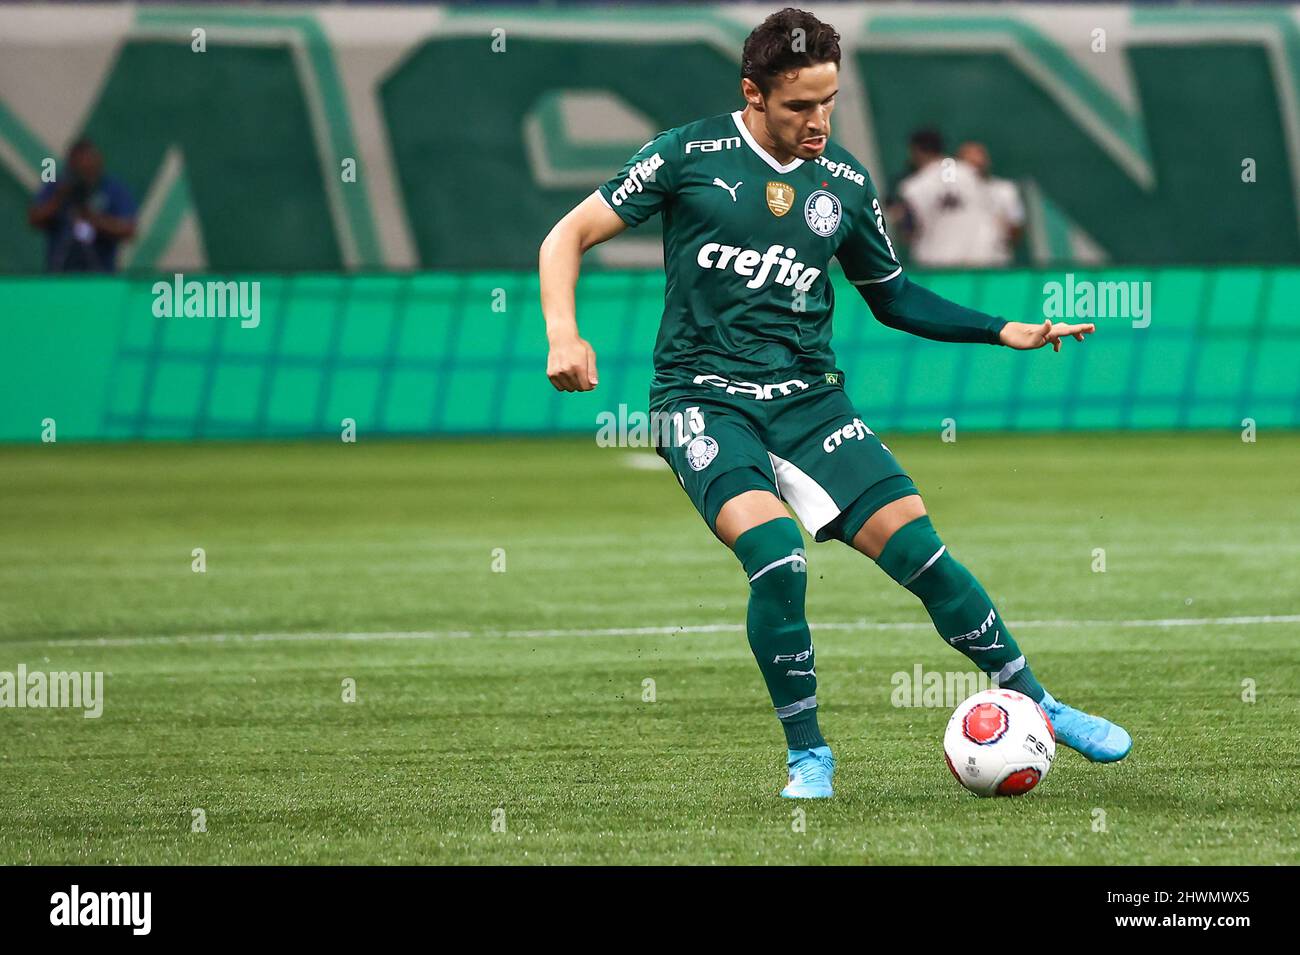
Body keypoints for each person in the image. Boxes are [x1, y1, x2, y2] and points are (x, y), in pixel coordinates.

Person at [538, 7, 1130, 799]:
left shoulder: (843, 183)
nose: (819, 121)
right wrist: (563, 333)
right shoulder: (689, 155)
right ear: (753, 93)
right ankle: (808, 753)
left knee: (922, 551)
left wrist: (1003, 330)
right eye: (799, 106)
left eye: (829, 102)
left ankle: (1038, 701)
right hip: (702, 400)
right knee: (777, 555)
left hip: (810, 403)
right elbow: (565, 235)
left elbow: (893, 297)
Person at [892, 128, 1003, 268]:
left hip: (937, 264)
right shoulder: (971, 173)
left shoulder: (913, 186)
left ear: (917, 151)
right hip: (981, 259)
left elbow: (909, 232)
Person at [28, 138, 137, 272]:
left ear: (98, 164)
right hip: (60, 274)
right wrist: (59, 199)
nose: (84, 176)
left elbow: (128, 229)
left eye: (89, 169)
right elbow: (34, 219)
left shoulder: (113, 189)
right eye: (79, 170)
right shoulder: (58, 187)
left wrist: (93, 219)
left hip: (100, 275)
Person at [957, 140, 1025, 266]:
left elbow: (1017, 225)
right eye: (970, 161)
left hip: (996, 262)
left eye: (979, 158)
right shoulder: (952, 195)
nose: (976, 164)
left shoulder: (1006, 190)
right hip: (958, 265)